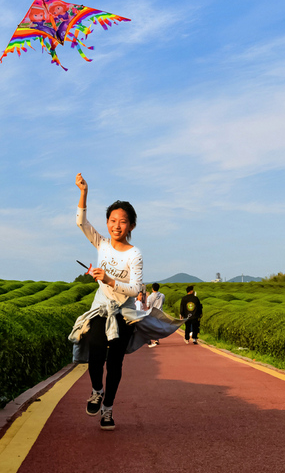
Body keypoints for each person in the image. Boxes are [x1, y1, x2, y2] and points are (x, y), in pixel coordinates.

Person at [68, 173, 183, 431]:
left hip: (124, 313)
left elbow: (134, 289)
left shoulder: (135, 254)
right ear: (107, 222)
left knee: (115, 362)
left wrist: (109, 279)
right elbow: (81, 223)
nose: (116, 226)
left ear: (131, 226)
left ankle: (108, 409)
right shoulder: (102, 244)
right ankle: (97, 390)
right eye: (112, 220)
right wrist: (83, 192)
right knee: (96, 351)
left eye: (122, 222)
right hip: (101, 309)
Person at [146, 283, 165, 347]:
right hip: (160, 313)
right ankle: (156, 339)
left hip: (152, 313)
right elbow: (163, 303)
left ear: (152, 288)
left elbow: (148, 306)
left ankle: (151, 338)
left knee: (152, 327)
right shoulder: (162, 295)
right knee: (158, 327)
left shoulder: (149, 297)